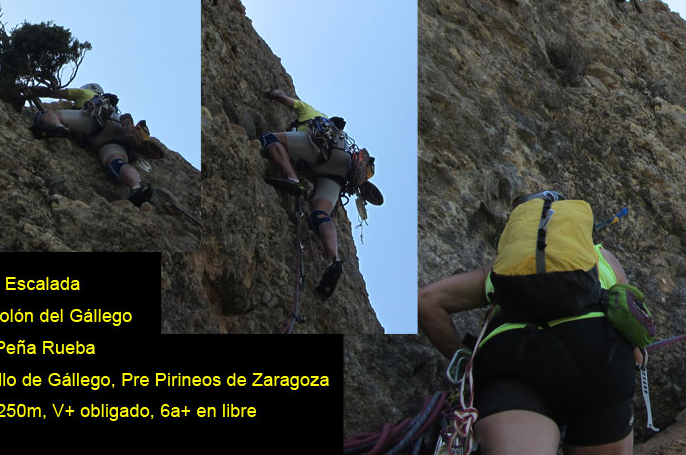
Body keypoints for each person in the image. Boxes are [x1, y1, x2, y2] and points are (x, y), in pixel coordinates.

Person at [418, 191, 642, 455]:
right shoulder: (603, 259)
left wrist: (465, 359)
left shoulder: (503, 269)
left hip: (514, 361)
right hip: (598, 355)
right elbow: (634, 333)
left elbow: (427, 301)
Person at [259, 88, 368, 299]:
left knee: (269, 138)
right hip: (340, 169)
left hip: (319, 148)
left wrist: (273, 93)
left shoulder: (309, 112)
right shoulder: (341, 137)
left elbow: (284, 99)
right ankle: (333, 259)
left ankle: (291, 178)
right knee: (320, 214)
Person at [27, 83, 153, 207]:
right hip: (116, 131)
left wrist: (32, 90)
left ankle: (58, 127)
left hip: (94, 118)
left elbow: (55, 93)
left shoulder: (86, 93)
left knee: (48, 115)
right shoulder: (114, 109)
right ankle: (136, 186)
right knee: (118, 164)